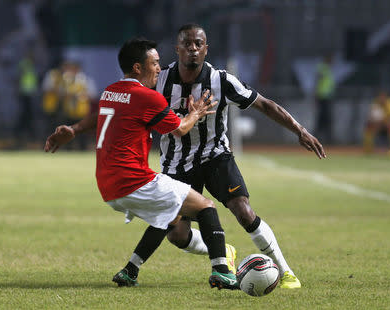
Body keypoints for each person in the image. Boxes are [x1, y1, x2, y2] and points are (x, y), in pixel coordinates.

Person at [117, 24, 326, 289]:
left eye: (198, 44)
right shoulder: (159, 80)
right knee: (177, 234)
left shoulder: (221, 80)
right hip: (176, 163)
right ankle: (221, 251)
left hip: (215, 157)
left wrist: (300, 130)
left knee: (244, 211)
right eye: (187, 44)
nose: (193, 48)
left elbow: (265, 104)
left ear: (206, 49)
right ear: (177, 49)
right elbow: (133, 106)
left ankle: (286, 272)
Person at [44, 38, 239, 290]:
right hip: (133, 180)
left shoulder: (111, 92)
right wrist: (196, 113)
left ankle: (130, 270)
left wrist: (73, 128)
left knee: (168, 216)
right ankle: (222, 270)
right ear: (138, 67)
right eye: (155, 63)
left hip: (108, 187)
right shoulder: (148, 98)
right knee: (205, 207)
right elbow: (180, 129)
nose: (160, 68)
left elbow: (100, 113)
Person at [363, 89, 390, 154]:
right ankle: (368, 149)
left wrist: (383, 121)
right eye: (380, 96)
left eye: (383, 96)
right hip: (379, 124)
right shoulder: (376, 102)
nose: (381, 98)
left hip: (387, 123)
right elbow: (372, 116)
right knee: (369, 126)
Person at [314, 54, 336, 144]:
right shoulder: (322, 68)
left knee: (325, 118)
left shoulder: (328, 69)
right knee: (322, 118)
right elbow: (318, 81)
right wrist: (315, 95)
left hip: (327, 97)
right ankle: (318, 137)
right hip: (322, 97)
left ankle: (326, 138)